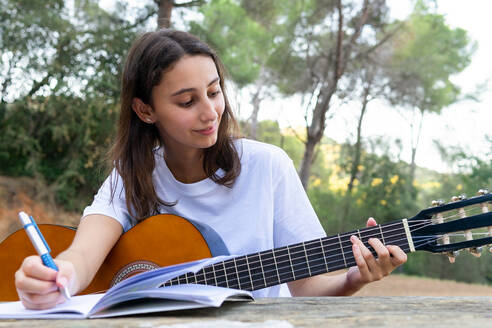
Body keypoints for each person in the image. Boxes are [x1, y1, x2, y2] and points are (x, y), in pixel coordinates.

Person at [14, 29, 407, 310]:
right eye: (187, 102)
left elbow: (306, 286)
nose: (210, 112)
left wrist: (356, 277)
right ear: (145, 110)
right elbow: (83, 256)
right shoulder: (130, 175)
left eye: (214, 91)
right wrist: (56, 277)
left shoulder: (267, 166)